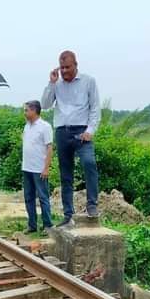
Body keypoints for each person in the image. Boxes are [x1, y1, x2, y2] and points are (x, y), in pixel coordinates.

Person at [41, 50, 100, 224]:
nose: (64, 71)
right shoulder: (57, 84)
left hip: (82, 131)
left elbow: (95, 108)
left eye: (67, 67)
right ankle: (68, 215)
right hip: (62, 131)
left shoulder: (89, 81)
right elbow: (44, 105)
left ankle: (92, 205)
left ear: (75, 65)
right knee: (65, 175)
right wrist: (51, 83)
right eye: (62, 67)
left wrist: (90, 130)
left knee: (89, 163)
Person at [21, 100, 54, 232]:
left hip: (39, 169)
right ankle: (32, 225)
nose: (25, 113)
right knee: (28, 197)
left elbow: (50, 148)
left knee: (43, 197)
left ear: (34, 111)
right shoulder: (27, 126)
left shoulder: (45, 126)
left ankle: (47, 225)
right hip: (27, 168)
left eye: (26, 110)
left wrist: (46, 168)